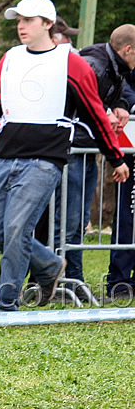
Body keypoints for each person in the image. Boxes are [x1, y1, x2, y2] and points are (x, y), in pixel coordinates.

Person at [0, 0, 129, 311]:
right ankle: (48, 264)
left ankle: (6, 303)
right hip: (5, 155)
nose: (21, 26)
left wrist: (116, 158)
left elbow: (96, 115)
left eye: (28, 21)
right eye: (18, 21)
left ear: (47, 24)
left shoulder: (72, 63)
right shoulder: (11, 57)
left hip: (46, 159)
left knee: (17, 229)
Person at [84, 24, 135, 300]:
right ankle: (119, 281)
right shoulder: (114, 62)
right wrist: (125, 106)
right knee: (128, 214)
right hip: (130, 148)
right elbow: (124, 89)